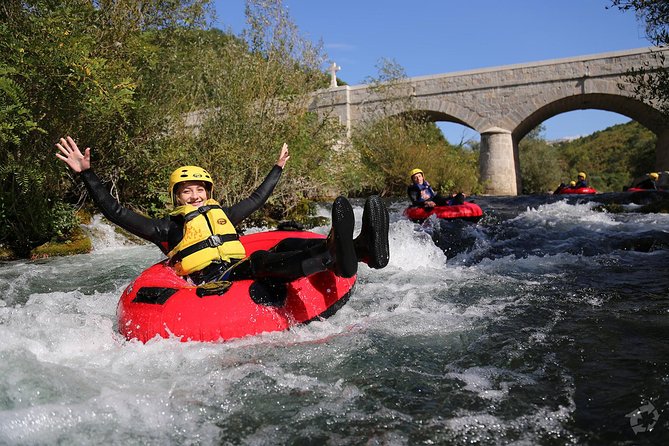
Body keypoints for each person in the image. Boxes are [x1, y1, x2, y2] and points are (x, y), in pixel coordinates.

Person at [56, 136, 389, 291]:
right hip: (216, 282)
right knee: (262, 263)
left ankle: (360, 248)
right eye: (187, 191)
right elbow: (115, 211)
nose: (195, 194)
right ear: (177, 197)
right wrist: (86, 173)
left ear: (209, 193)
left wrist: (278, 167)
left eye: (200, 189)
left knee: (283, 247)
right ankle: (335, 254)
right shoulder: (165, 229)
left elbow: (258, 198)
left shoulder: (223, 214)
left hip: (237, 267)